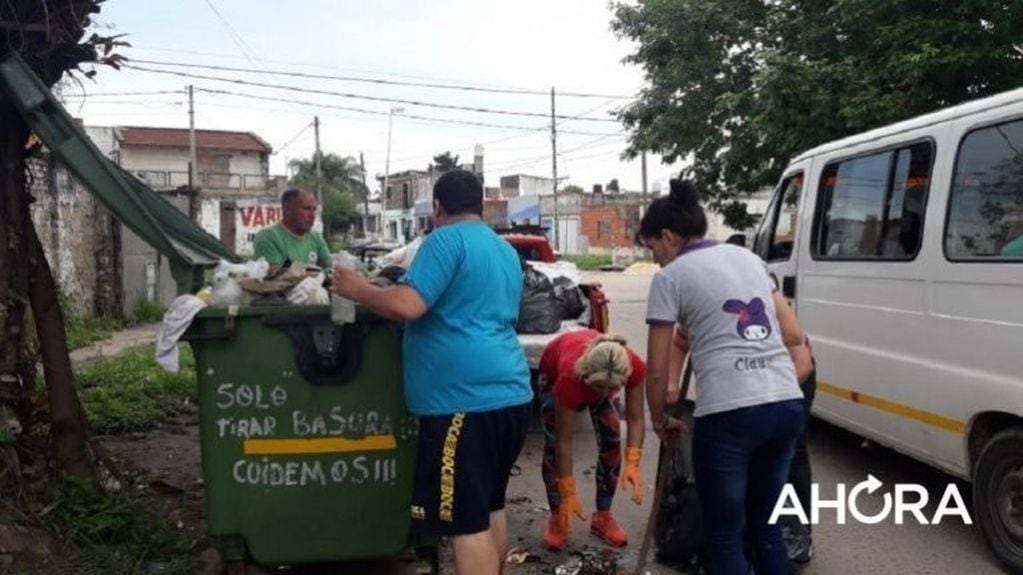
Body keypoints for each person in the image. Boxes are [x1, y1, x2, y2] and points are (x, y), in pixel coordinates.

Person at [331, 169, 532, 575]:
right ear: (479, 205)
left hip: (463, 403)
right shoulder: (503, 249)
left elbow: (407, 305)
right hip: (511, 394)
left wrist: (357, 290)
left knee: (465, 523)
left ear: (437, 208)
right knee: (489, 507)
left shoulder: (444, 240)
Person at [640, 177, 813, 575]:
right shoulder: (749, 260)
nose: (654, 259)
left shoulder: (670, 278)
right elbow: (792, 334)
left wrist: (660, 419)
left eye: (651, 248)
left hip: (729, 413)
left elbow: (656, 367)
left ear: (668, 236)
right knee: (766, 528)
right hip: (785, 403)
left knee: (724, 535)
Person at [537, 330, 646, 551]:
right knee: (553, 448)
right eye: (600, 388)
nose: (605, 393)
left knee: (612, 437)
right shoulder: (569, 378)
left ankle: (602, 516)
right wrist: (567, 492)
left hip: (596, 375)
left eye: (614, 388)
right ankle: (558, 516)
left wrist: (633, 460)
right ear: (587, 376)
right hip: (554, 375)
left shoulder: (633, 365)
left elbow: (635, 418)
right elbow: (564, 442)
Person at [253, 188, 331, 269]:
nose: (312, 215)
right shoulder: (268, 237)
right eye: (306, 208)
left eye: (314, 209)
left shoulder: (316, 238)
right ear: (287, 209)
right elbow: (274, 278)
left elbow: (329, 270)